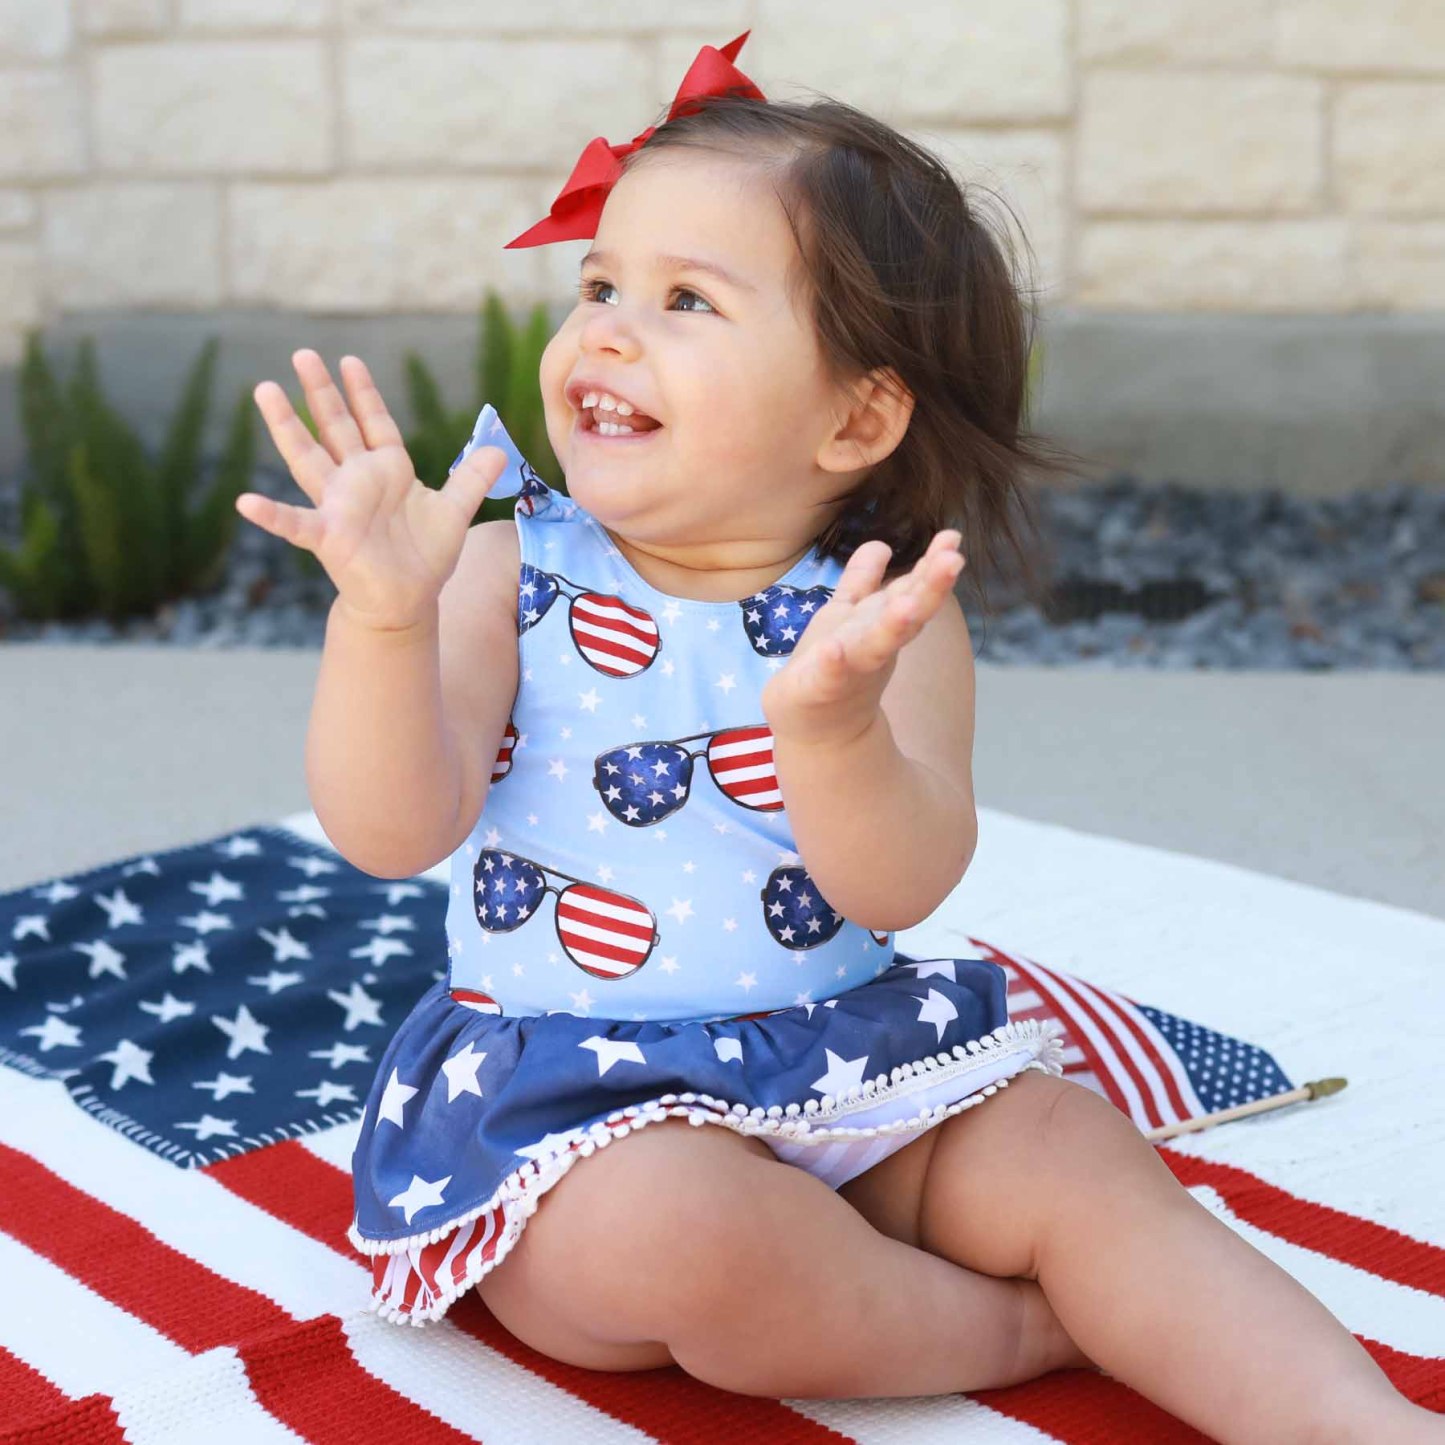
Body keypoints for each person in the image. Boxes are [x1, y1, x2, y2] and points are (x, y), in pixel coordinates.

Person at [234, 32, 1442, 1442]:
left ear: (856, 416)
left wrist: (826, 729)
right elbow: (392, 829)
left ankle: (1350, 1420)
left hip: (847, 1064)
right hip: (570, 1103)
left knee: (1067, 1147)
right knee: (670, 1235)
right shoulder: (507, 575)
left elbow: (895, 884)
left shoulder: (883, 621)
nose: (606, 330)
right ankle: (1023, 1324)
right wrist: (383, 618)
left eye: (684, 298)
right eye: (600, 283)